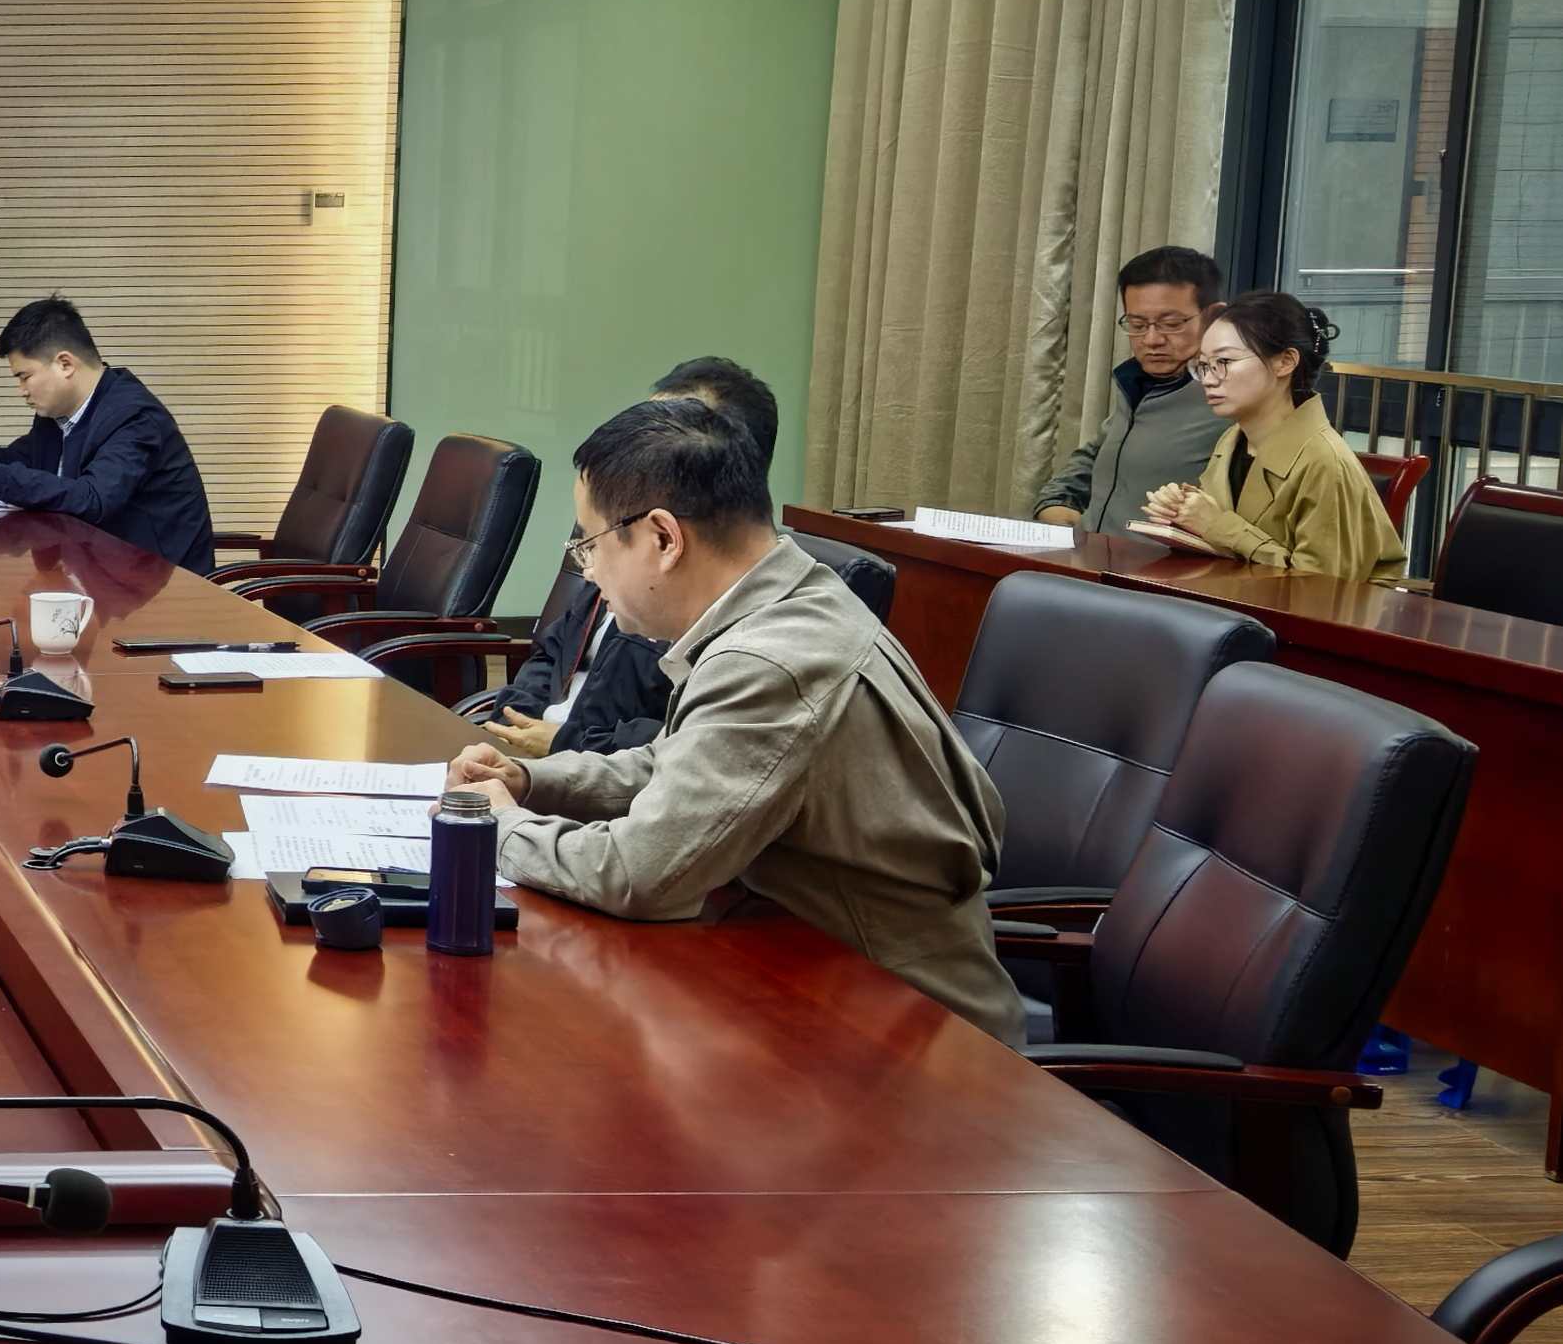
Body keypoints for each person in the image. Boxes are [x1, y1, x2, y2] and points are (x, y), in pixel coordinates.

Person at [444, 396, 1020, 1043]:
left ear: (664, 539)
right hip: (803, 975)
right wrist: (532, 781)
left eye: (590, 544)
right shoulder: (787, 600)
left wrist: (495, 827)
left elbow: (640, 874)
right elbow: (679, 765)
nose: (589, 571)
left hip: (906, 1033)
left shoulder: (770, 660)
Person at [479, 357, 783, 765]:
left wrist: (567, 746)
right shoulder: (621, 538)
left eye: (666, 429)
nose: (588, 570)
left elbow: (664, 761)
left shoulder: (748, 650)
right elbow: (551, 650)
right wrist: (514, 724)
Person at [0, 297, 216, 575]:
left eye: (25, 376)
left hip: (162, 586)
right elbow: (18, 457)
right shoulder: (58, 414)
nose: (21, 390)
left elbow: (94, 499)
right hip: (94, 573)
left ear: (65, 364)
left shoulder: (134, 417)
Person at [1136, 290, 1407, 585]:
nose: (1210, 379)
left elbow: (1320, 588)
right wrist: (1183, 508)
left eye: (1224, 361)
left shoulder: (1325, 461)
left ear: (1285, 362)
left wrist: (1217, 525)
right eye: (1203, 366)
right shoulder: (1232, 439)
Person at [1037, 246, 1228, 536]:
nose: (1151, 339)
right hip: (1094, 556)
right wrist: (1056, 500)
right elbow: (1098, 453)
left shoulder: (1229, 399)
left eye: (1171, 324)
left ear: (1213, 317)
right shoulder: (1140, 383)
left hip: (1163, 563)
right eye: (1137, 324)